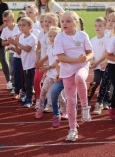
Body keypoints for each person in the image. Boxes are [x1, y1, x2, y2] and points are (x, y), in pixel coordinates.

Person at [53, 11, 93, 142]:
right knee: (71, 101)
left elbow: (90, 53)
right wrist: (77, 60)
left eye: (68, 21)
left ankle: (85, 107)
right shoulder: (59, 37)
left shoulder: (82, 35)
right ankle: (72, 129)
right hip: (67, 70)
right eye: (62, 21)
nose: (64, 23)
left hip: (82, 67)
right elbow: (60, 57)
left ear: (76, 23)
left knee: (80, 78)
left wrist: (85, 58)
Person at [8, 17, 38, 108]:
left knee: (29, 83)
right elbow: (20, 52)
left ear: (30, 27)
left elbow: (27, 49)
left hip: (31, 64)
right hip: (24, 64)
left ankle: (30, 99)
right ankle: (28, 97)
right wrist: (13, 45)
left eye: (24, 25)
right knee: (25, 82)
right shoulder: (21, 37)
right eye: (20, 25)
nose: (21, 27)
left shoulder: (32, 38)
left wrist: (16, 43)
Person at [35, 27, 61, 120]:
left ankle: (64, 111)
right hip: (49, 75)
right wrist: (41, 61)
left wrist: (48, 67)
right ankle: (40, 109)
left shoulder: (60, 48)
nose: (52, 38)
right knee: (43, 92)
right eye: (50, 36)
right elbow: (47, 55)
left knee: (60, 96)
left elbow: (58, 62)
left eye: (55, 36)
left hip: (57, 75)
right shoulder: (50, 46)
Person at [87, 17, 109, 114]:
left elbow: (107, 53)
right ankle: (86, 99)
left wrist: (101, 62)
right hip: (96, 66)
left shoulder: (107, 39)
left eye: (100, 26)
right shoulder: (92, 39)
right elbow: (91, 52)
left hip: (105, 65)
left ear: (105, 27)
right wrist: (92, 61)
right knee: (96, 82)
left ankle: (100, 103)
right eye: (96, 25)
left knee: (105, 84)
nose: (97, 27)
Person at [0, 10, 19, 94]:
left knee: (21, 70)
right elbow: (2, 43)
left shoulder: (19, 27)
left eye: (8, 20)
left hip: (20, 52)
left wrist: (16, 41)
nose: (6, 22)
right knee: (12, 70)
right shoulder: (5, 30)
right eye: (4, 20)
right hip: (12, 52)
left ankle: (23, 87)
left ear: (13, 20)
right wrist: (8, 42)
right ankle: (14, 86)